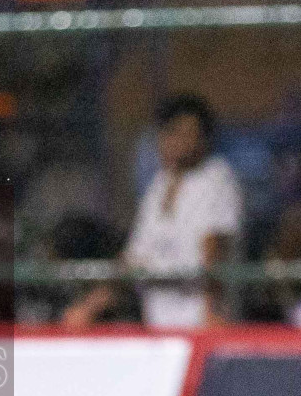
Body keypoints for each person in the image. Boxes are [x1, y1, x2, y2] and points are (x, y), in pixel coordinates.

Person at [63, 94, 242, 329]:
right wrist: (89, 307)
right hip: (158, 324)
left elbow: (214, 248)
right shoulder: (159, 185)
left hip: (201, 323)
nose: (179, 142)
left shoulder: (217, 178)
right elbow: (133, 258)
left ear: (203, 139)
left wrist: (211, 311)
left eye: (189, 134)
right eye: (172, 133)